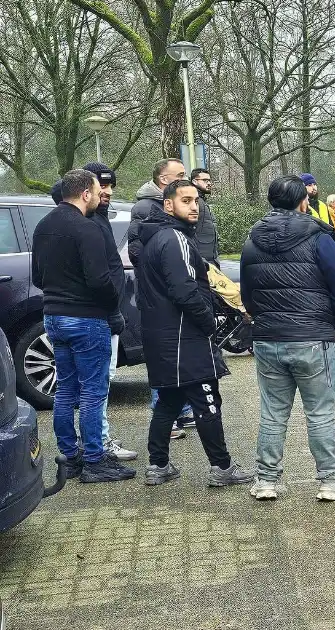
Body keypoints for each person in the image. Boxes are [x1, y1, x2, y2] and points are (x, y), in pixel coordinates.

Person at [238, 176, 335, 501]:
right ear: (304, 202)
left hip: (267, 338)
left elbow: (247, 294)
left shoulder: (252, 239)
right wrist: (331, 323)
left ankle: (265, 481)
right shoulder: (318, 238)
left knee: (273, 412)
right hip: (313, 338)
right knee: (319, 412)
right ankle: (331, 482)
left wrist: (263, 318)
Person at [137, 179, 255, 486]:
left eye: (196, 201)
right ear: (168, 205)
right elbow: (185, 290)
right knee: (207, 400)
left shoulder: (156, 238)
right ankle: (222, 468)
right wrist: (209, 323)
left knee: (170, 400)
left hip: (163, 337)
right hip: (182, 337)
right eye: (186, 200)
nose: (194, 206)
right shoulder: (173, 238)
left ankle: (158, 465)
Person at [33, 169, 133, 483]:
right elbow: (100, 280)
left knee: (65, 390)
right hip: (88, 319)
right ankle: (94, 460)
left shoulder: (43, 226)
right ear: (86, 194)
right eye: (96, 191)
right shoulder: (87, 228)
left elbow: (38, 278)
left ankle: (69, 457)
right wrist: (111, 304)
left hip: (53, 317)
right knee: (93, 392)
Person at [129, 158, 194, 438]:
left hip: (172, 294)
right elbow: (137, 251)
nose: (185, 177)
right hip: (159, 299)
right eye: (180, 174)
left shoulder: (180, 209)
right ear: (164, 181)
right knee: (163, 359)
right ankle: (164, 417)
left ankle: (183, 411)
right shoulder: (145, 208)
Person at [77, 163, 137, 462]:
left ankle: (88, 443)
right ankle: (97, 444)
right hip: (96, 316)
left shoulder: (97, 218)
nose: (108, 192)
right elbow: (97, 275)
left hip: (98, 314)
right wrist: (110, 309)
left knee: (87, 384)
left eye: (112, 185)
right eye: (103, 185)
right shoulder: (86, 222)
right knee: (97, 383)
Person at [189, 168, 220, 266]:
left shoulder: (201, 201)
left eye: (209, 180)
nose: (209, 183)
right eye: (205, 180)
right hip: (201, 261)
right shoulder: (193, 201)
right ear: (194, 181)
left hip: (209, 259)